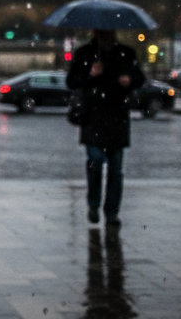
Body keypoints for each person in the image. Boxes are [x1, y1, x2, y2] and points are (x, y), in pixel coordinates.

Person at [67, 29, 145, 227]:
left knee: (116, 169)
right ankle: (94, 204)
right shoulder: (85, 53)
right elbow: (72, 81)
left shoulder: (126, 53)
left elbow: (139, 77)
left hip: (116, 115)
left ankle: (111, 211)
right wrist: (91, 74)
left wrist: (129, 80)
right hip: (93, 114)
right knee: (95, 161)